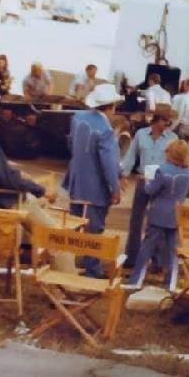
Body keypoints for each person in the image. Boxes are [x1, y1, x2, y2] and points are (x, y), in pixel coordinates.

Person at [63, 83, 123, 278]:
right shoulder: (105, 130)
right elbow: (109, 163)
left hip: (75, 181)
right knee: (94, 230)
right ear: (111, 106)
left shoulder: (78, 119)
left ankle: (73, 262)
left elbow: (71, 144)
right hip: (95, 188)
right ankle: (92, 269)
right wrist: (115, 188)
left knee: (74, 225)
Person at [127, 140, 189, 291]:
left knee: (147, 247)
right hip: (177, 214)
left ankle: (136, 280)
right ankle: (170, 283)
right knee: (173, 250)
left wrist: (147, 181)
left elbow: (150, 190)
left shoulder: (162, 170)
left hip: (158, 213)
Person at [120, 109, 178, 269]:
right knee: (136, 220)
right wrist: (124, 174)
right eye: (166, 121)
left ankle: (157, 260)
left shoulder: (173, 139)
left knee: (157, 221)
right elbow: (131, 156)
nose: (168, 124)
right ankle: (131, 257)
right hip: (143, 179)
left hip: (161, 183)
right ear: (156, 120)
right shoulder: (141, 135)